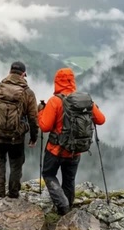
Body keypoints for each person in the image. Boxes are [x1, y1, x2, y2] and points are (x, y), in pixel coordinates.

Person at [38, 68, 106, 215]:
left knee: (49, 174)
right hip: (75, 150)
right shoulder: (85, 101)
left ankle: (62, 205)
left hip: (55, 149)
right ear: (72, 81)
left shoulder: (55, 101)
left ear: (57, 82)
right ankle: (67, 209)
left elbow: (45, 127)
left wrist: (41, 112)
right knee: (69, 179)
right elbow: (101, 120)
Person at [0, 61, 38, 198]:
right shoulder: (28, 93)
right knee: (16, 166)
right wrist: (33, 137)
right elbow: (33, 118)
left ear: (10, 71)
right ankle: (13, 194)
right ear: (24, 74)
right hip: (17, 138)